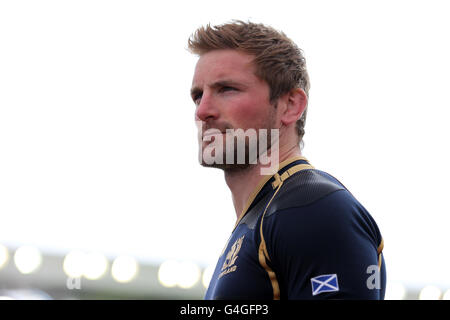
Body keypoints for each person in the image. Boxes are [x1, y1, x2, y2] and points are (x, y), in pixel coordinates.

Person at [188, 20, 386, 299]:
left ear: (291, 105)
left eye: (227, 89)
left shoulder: (311, 208)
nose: (203, 111)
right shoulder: (267, 215)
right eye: (198, 95)